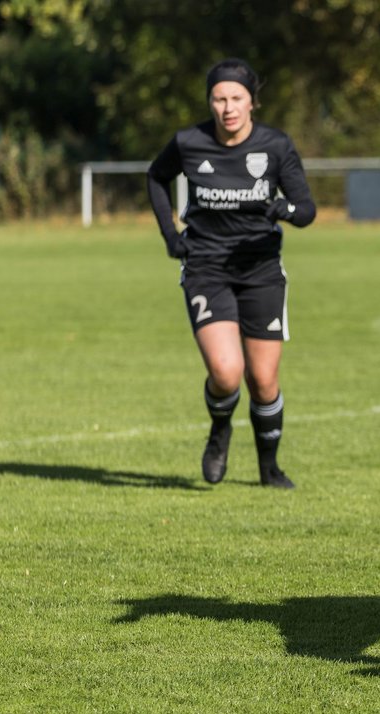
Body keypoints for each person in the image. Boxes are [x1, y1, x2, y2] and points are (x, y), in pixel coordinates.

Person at [147, 58, 316, 489]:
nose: (228, 107)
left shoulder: (276, 146)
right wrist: (171, 234)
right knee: (226, 372)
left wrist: (288, 211)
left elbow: (307, 208)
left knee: (262, 380)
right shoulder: (189, 142)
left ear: (252, 102)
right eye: (219, 98)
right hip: (206, 267)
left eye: (236, 98)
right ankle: (220, 429)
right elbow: (156, 177)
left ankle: (269, 468)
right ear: (210, 101)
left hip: (260, 271)